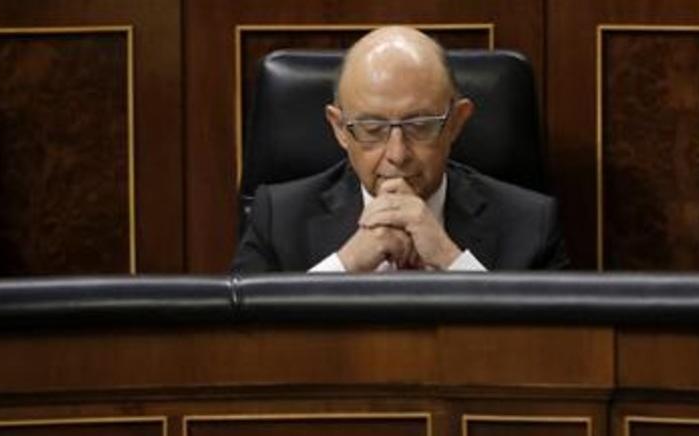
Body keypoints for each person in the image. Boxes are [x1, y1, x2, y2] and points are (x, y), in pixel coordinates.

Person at [231, 26, 569, 273]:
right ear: (339, 128)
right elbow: (242, 350)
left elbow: (555, 358)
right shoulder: (278, 219)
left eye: (420, 125)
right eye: (371, 128)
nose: (397, 153)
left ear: (456, 122)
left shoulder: (531, 226)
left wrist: (451, 260)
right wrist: (344, 266)